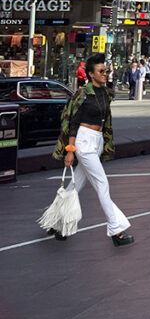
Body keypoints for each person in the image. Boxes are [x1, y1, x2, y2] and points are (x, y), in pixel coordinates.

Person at [49, 54, 133, 246]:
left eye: (106, 70)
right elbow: (73, 122)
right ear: (90, 74)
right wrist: (70, 150)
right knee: (102, 184)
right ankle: (116, 230)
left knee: (75, 185)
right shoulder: (82, 94)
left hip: (96, 141)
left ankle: (55, 222)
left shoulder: (105, 92)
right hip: (83, 141)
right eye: (101, 71)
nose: (105, 73)